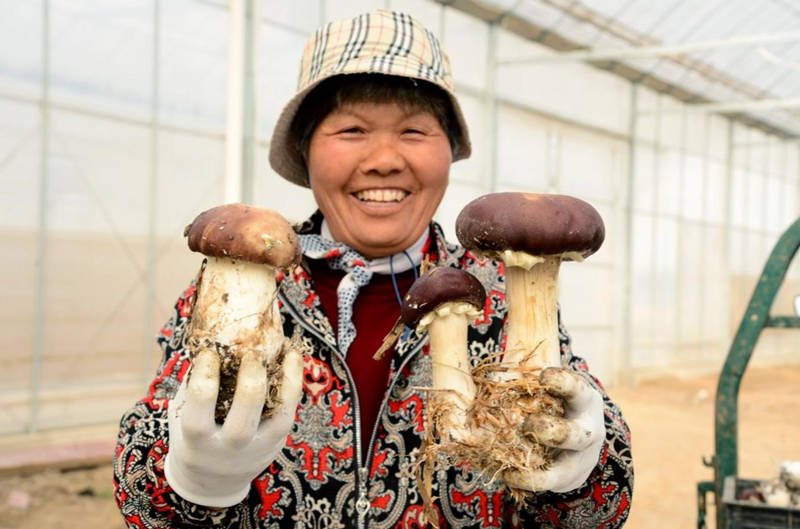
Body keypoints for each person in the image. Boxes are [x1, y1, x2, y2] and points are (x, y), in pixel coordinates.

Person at [113, 9, 633, 528]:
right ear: (306, 151)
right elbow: (141, 486)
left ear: (449, 153)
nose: (384, 158)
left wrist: (584, 469)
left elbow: (597, 510)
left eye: (414, 131)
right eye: (352, 129)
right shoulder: (234, 285)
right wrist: (193, 483)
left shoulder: (497, 288)